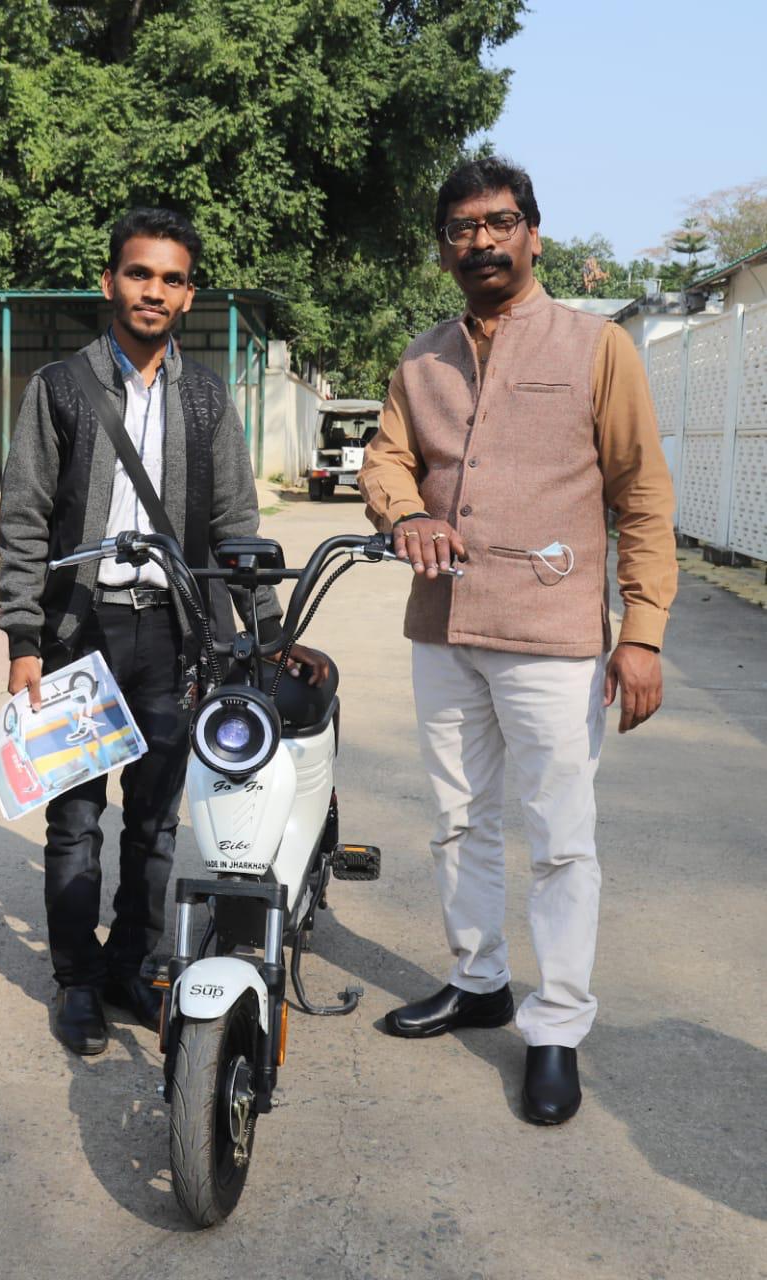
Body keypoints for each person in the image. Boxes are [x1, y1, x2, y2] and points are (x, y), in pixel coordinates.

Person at [358, 158, 677, 1124]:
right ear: (443, 248)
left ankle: (556, 1027)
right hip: (443, 625)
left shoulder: (596, 347)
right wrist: (403, 511)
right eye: (462, 228)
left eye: (500, 224)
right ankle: (480, 979)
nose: (483, 242)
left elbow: (643, 492)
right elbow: (387, 456)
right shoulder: (419, 360)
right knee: (458, 819)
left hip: (553, 631)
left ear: (534, 234)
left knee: (559, 838)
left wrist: (644, 632)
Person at [0, 207, 325, 1056]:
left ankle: (133, 967)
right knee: (74, 819)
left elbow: (234, 522)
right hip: (79, 633)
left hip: (175, 637)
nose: (154, 290)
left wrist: (261, 632)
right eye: (139, 273)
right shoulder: (59, 389)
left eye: (172, 278)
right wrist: (23, 637)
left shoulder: (209, 395)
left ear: (188, 296)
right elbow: (25, 518)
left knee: (154, 822)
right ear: (110, 282)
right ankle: (76, 982)